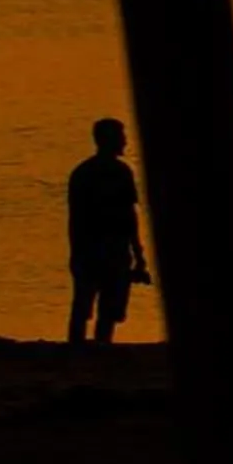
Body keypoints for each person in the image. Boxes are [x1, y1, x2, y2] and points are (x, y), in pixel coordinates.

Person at [65, 116, 147, 346]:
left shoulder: (81, 173)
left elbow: (75, 221)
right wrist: (138, 255)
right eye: (121, 137)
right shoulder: (119, 173)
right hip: (108, 251)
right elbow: (129, 217)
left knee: (89, 307)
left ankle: (79, 349)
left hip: (95, 251)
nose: (125, 141)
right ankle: (94, 348)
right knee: (99, 309)